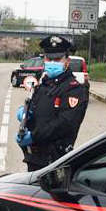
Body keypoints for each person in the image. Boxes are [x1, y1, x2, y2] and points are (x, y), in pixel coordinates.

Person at [16, 35, 89, 172]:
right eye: (49, 59)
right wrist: (25, 114)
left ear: (67, 61)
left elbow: (65, 123)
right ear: (44, 59)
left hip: (56, 161)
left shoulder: (74, 89)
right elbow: (35, 109)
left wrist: (33, 136)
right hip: (35, 158)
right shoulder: (44, 84)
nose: (52, 62)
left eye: (57, 59)